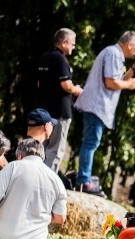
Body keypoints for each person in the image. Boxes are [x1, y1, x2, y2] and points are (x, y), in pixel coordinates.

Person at [73, 31, 135, 196]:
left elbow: (118, 79)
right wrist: (130, 85)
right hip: (97, 105)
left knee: (92, 142)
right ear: (130, 44)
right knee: (91, 143)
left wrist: (132, 72)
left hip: (98, 106)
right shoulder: (113, 54)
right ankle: (83, 181)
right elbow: (111, 82)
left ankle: (85, 178)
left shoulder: (115, 54)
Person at [37, 28, 83, 172]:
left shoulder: (45, 57)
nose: (73, 47)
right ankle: (48, 181)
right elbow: (66, 85)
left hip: (43, 109)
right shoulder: (61, 59)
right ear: (64, 43)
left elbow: (39, 83)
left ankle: (36, 175)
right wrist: (77, 90)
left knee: (40, 146)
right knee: (56, 149)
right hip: (59, 111)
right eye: (72, 44)